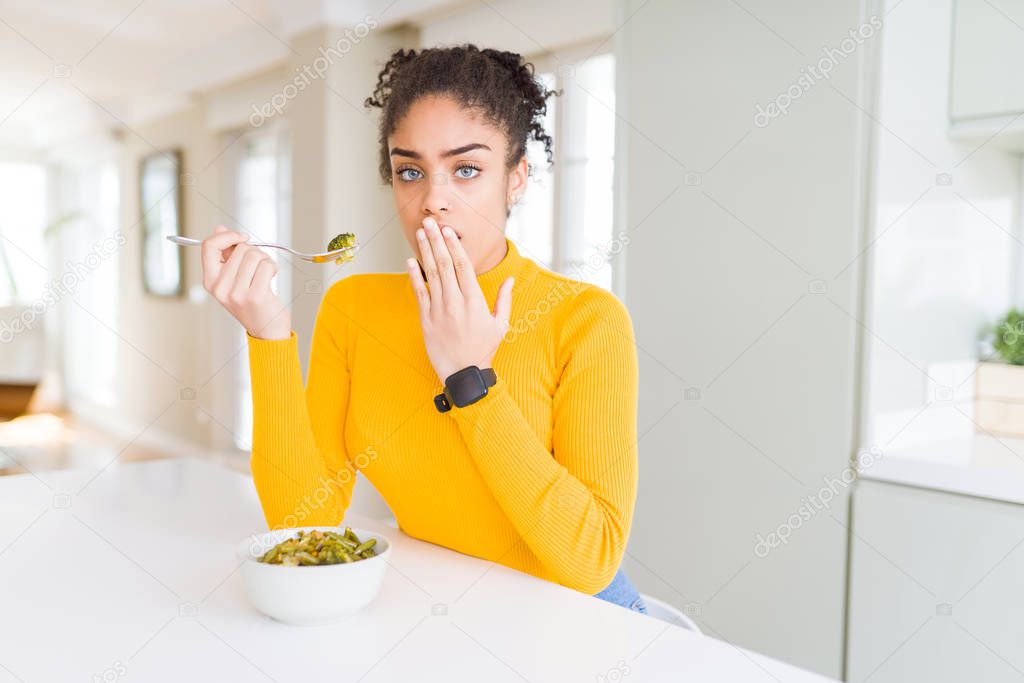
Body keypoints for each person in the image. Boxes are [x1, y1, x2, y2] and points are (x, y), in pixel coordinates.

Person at [199, 44, 645, 614]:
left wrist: (470, 379)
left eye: (466, 169)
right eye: (411, 171)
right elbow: (301, 521)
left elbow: (591, 560)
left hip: (577, 619)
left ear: (515, 179)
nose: (434, 201)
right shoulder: (354, 308)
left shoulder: (585, 320)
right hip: (443, 609)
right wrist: (266, 332)